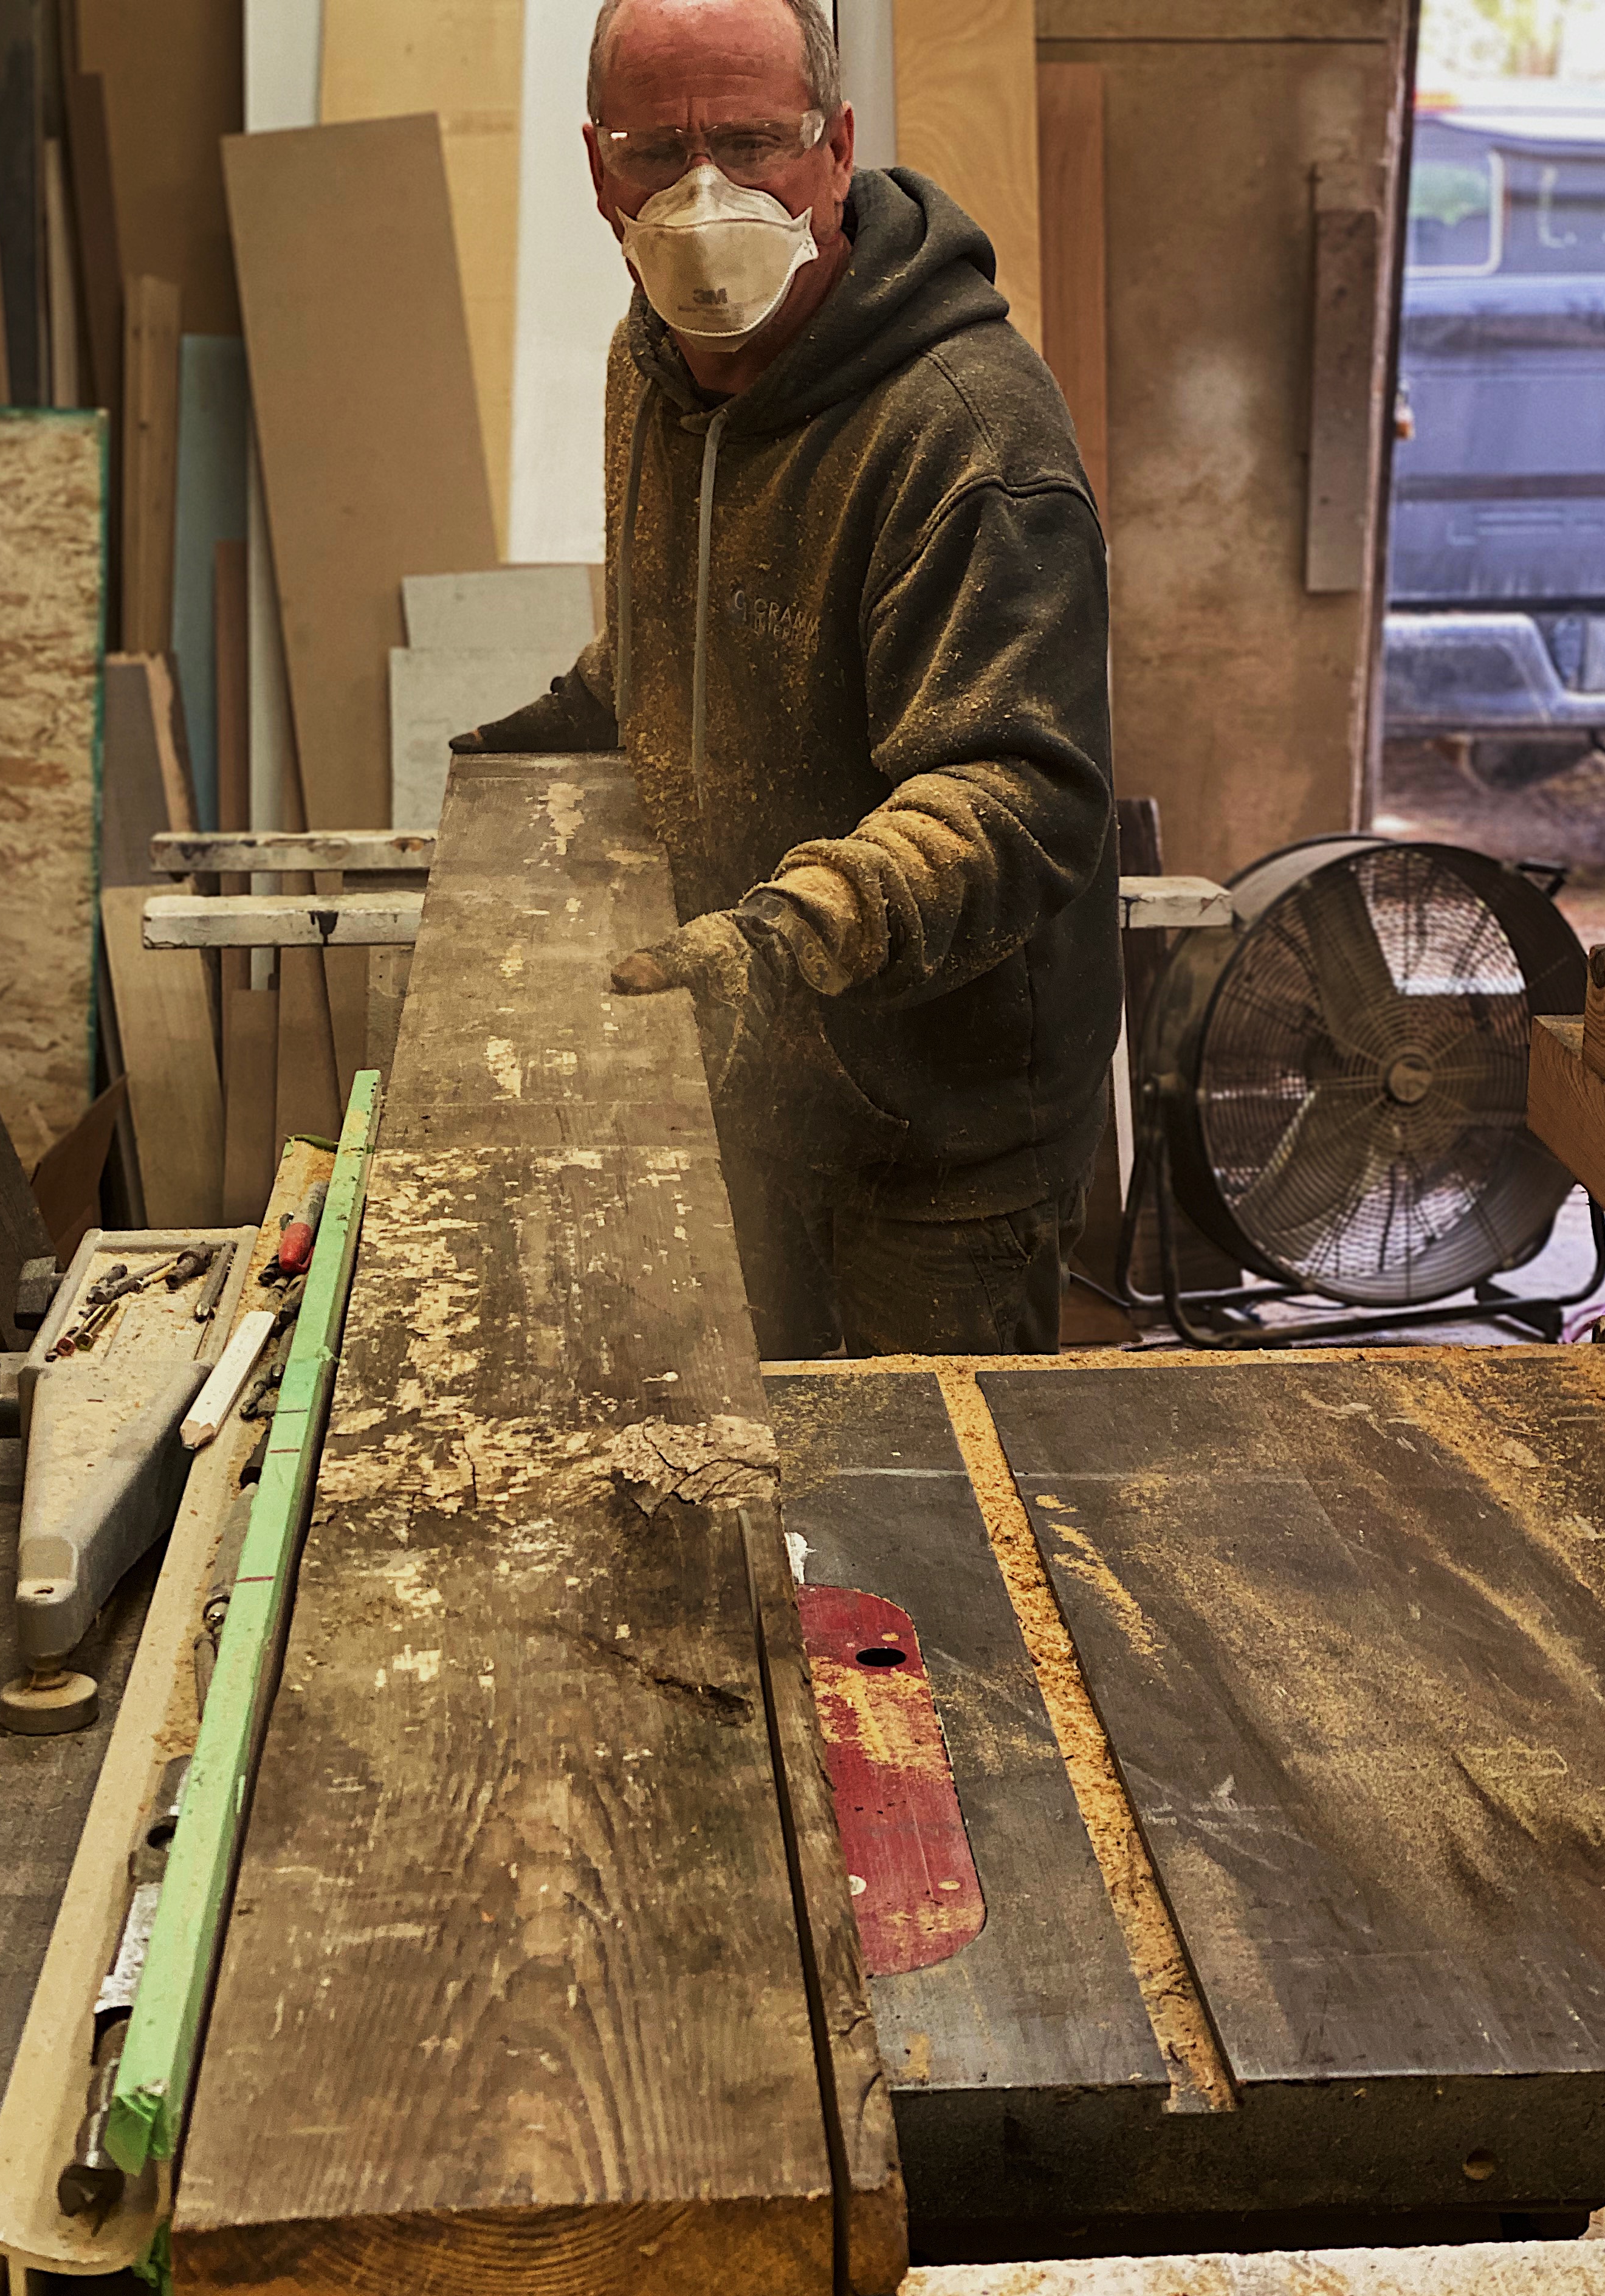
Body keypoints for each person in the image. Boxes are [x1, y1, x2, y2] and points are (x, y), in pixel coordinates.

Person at [455, 0, 1119, 1359]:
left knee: (912, 1486)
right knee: (754, 1461)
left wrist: (779, 943)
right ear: (598, 168)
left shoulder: (968, 440)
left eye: (755, 142)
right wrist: (537, 744)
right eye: (658, 151)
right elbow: (692, 627)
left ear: (837, 148)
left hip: (942, 1140)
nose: (706, 195)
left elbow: (1014, 798)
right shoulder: (656, 365)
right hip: (763, 1084)